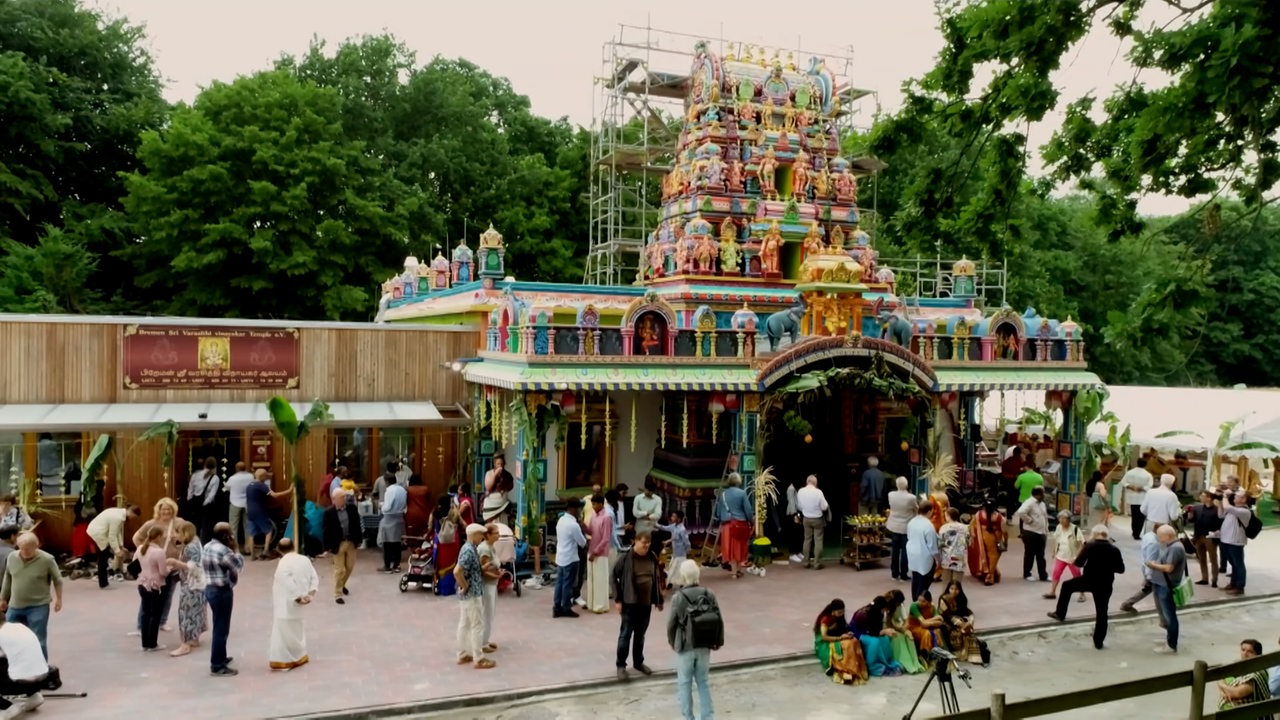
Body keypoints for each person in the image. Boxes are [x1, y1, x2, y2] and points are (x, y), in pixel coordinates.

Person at [1047, 524, 1125, 649]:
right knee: (1102, 611)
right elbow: (1121, 569)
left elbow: (1079, 563)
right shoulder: (1114, 549)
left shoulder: (1089, 546)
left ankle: (1060, 613)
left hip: (1088, 580)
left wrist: (1077, 559)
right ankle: (1098, 641)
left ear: (1094, 534)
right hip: (1105, 583)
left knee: (1067, 586)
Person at [667, 559, 719, 720]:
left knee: (684, 682)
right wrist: (717, 641)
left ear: (683, 576)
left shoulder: (678, 597)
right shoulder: (709, 593)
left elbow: (671, 624)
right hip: (704, 643)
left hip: (685, 644)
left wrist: (672, 642)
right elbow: (718, 619)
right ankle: (708, 716)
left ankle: (688, 717)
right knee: (703, 681)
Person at [0, 533, 61, 661]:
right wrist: (3, 598)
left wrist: (58, 599)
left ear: (36, 546)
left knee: (38, 639)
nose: (24, 551)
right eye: (21, 548)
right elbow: (8, 577)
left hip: (38, 605)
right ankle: (15, 666)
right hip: (15, 605)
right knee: (10, 637)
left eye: (28, 548)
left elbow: (58, 580)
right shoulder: (12, 557)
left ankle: (42, 668)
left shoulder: (47, 559)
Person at [612, 531, 663, 681]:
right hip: (629, 603)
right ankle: (621, 665)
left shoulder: (651, 557)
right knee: (625, 634)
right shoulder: (625, 558)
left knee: (640, 635)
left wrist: (658, 600)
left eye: (648, 544)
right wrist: (618, 600)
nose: (646, 546)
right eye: (643, 543)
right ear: (635, 542)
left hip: (645, 604)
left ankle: (638, 662)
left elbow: (656, 578)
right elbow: (613, 576)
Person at [268, 538, 318, 671]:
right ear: (294, 546)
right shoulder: (305, 559)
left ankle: (286, 660)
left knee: (283, 633)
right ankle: (299, 655)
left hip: (286, 605)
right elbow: (314, 577)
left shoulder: (283, 563)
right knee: (297, 630)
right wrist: (310, 595)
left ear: (278, 549)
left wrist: (297, 597)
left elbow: (286, 582)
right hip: (301, 603)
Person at [201, 522, 243, 677]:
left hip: (210, 588)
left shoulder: (207, 546)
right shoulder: (224, 551)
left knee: (220, 624)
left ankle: (221, 656)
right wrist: (236, 549)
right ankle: (217, 665)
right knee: (221, 628)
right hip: (222, 591)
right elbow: (238, 566)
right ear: (227, 536)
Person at [454, 524, 493, 670]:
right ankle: (478, 657)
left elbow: (468, 570)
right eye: (480, 535)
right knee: (477, 625)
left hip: (468, 594)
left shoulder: (469, 548)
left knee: (465, 624)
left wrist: (482, 568)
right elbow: (457, 571)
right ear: (474, 534)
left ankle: (463, 653)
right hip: (472, 594)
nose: (482, 538)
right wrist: (465, 586)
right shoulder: (469, 550)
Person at [167, 520, 207, 657]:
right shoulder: (195, 541)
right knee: (196, 611)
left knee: (186, 613)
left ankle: (185, 644)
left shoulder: (190, 547)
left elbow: (193, 566)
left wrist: (175, 563)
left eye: (176, 532)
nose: (173, 535)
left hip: (191, 585)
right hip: (198, 584)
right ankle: (193, 638)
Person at [1146, 525, 1187, 655]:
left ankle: (1171, 644)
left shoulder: (1175, 548)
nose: (1158, 538)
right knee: (1166, 614)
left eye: (1159, 535)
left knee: (1170, 616)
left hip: (1166, 586)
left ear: (1167, 536)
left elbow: (1169, 568)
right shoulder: (1171, 546)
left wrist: (1153, 565)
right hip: (1161, 584)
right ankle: (1169, 639)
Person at [813, 599, 869, 685]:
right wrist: (840, 638)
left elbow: (842, 629)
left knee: (854, 641)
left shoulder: (839, 617)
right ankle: (845, 669)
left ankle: (856, 668)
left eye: (843, 612)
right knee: (847, 645)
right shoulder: (825, 619)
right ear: (833, 611)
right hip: (826, 642)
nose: (842, 614)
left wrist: (847, 633)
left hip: (838, 637)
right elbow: (824, 637)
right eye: (839, 612)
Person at [0, 616, 48, 717]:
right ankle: (34, 696)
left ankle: (6, 708)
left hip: (22, 681)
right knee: (16, 662)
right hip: (42, 678)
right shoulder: (18, 626)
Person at [87, 504, 141, 588]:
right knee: (102, 557)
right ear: (132, 513)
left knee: (104, 555)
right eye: (134, 517)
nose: (132, 519)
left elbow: (117, 532)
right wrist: (117, 551)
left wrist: (121, 546)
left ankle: (104, 581)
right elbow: (112, 536)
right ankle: (103, 583)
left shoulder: (120, 514)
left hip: (100, 530)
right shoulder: (118, 518)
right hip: (98, 532)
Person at [135, 524, 169, 652]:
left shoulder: (140, 549)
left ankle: (145, 643)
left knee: (145, 612)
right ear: (158, 537)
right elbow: (163, 572)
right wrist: (170, 567)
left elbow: (135, 564)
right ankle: (152, 643)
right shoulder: (159, 552)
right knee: (155, 615)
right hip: (155, 586)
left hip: (142, 583)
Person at [323, 488, 361, 604]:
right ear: (334, 499)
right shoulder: (328, 513)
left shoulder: (352, 508)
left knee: (349, 567)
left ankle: (342, 584)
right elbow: (326, 531)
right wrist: (326, 547)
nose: (344, 499)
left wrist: (359, 540)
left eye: (344, 497)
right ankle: (337, 594)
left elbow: (357, 524)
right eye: (341, 497)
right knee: (339, 570)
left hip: (350, 542)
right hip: (338, 544)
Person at [850, 596, 903, 677]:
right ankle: (873, 667)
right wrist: (884, 631)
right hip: (858, 632)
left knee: (885, 639)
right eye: (884, 609)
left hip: (869, 631)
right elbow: (870, 631)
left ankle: (885, 662)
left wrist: (885, 632)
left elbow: (877, 628)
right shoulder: (863, 615)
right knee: (874, 642)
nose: (884, 611)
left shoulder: (878, 613)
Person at [246, 470, 291, 560]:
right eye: (266, 476)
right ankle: (266, 550)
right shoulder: (262, 486)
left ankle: (252, 555)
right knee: (269, 530)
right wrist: (289, 490)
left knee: (251, 534)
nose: (266, 478)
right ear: (262, 477)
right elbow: (275, 495)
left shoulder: (249, 486)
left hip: (250, 511)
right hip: (259, 511)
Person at [1218, 639, 1272, 714]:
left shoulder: (1257, 674)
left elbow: (1237, 693)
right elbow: (1222, 676)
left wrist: (1221, 686)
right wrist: (1223, 692)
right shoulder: (1240, 666)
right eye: (1243, 650)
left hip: (1251, 714)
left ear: (1258, 655)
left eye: (1250, 652)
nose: (1245, 654)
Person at [553, 498, 586, 618]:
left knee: (559, 583)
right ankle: (566, 607)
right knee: (568, 584)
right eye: (578, 509)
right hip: (571, 558)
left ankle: (557, 607)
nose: (579, 511)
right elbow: (582, 542)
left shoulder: (561, 520)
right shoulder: (574, 525)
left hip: (561, 556)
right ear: (573, 509)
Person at [717, 473, 753, 578]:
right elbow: (748, 510)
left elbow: (719, 511)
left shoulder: (723, 494)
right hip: (739, 523)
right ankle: (738, 570)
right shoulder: (742, 493)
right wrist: (750, 521)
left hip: (727, 525)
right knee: (740, 547)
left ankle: (733, 571)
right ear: (738, 481)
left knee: (730, 548)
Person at [1045, 510, 1086, 600]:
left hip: (1072, 557)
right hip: (1061, 555)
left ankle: (1082, 594)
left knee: (1077, 575)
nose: (1061, 520)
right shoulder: (1059, 527)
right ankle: (1052, 592)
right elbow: (1056, 540)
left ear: (1069, 519)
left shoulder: (1075, 529)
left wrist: (1076, 557)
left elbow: (1082, 545)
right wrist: (1054, 551)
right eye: (1060, 518)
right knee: (1056, 573)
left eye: (1064, 518)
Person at [882, 589, 925, 674]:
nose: (900, 604)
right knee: (899, 637)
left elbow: (906, 620)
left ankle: (914, 662)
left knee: (910, 638)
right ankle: (904, 663)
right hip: (888, 628)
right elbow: (889, 624)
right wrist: (902, 631)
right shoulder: (887, 608)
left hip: (899, 625)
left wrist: (905, 629)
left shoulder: (900, 605)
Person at [1219, 489, 1252, 596]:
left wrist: (1224, 496)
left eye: (1237, 496)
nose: (1234, 497)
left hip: (1235, 542)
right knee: (1233, 564)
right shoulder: (1234, 509)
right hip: (1226, 540)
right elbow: (1221, 515)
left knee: (1238, 564)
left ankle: (1240, 586)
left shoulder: (1244, 511)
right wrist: (1220, 500)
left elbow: (1227, 507)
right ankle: (1233, 584)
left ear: (1244, 499)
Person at [1185, 490, 1221, 588]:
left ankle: (1214, 579)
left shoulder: (1217, 510)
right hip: (1198, 536)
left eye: (1203, 496)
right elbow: (1191, 520)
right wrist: (1189, 515)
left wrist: (1217, 532)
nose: (1200, 497)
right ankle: (1204, 578)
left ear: (1209, 498)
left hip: (1210, 537)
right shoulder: (1197, 508)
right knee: (1201, 558)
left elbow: (1220, 523)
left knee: (1213, 559)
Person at [1014, 486, 1050, 582]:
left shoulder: (1042, 504)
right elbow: (1021, 512)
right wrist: (1029, 521)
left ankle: (1043, 575)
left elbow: (1044, 517)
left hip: (1041, 532)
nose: (1044, 495)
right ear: (1038, 494)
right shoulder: (1029, 502)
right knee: (1030, 554)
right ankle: (1027, 573)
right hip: (1031, 532)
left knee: (1041, 555)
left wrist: (1046, 530)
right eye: (1043, 493)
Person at [586, 495, 614, 613]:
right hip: (591, 550)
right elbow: (591, 531)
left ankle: (601, 606)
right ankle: (592, 604)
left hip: (600, 553)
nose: (593, 506)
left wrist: (595, 552)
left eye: (595, 504)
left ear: (602, 504)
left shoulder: (607, 518)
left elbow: (606, 539)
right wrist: (584, 527)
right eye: (592, 504)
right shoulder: (593, 515)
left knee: (600, 580)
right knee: (591, 579)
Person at [905, 500, 939, 602]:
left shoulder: (912, 522)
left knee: (915, 580)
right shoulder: (928, 526)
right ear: (929, 511)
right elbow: (932, 547)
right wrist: (938, 559)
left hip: (913, 555)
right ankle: (921, 602)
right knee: (924, 583)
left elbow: (909, 536)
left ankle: (914, 600)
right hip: (925, 558)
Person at [939, 581, 980, 662]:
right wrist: (961, 624)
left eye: (956, 589)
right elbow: (947, 615)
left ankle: (973, 657)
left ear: (960, 590)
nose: (954, 591)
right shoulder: (943, 599)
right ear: (948, 589)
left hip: (959, 621)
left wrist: (970, 620)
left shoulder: (961, 598)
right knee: (957, 633)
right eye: (952, 589)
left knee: (969, 633)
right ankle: (956, 654)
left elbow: (966, 610)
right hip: (947, 622)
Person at [886, 477, 917, 582]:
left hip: (894, 526)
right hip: (906, 527)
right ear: (906, 485)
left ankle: (894, 574)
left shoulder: (891, 495)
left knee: (895, 550)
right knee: (905, 551)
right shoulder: (911, 497)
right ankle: (904, 574)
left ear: (897, 485)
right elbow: (916, 509)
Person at [968, 498, 1006, 586]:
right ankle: (990, 575)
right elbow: (1004, 532)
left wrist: (973, 535)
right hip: (997, 541)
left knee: (986, 557)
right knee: (994, 557)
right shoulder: (1000, 517)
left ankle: (990, 573)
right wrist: (1006, 542)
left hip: (981, 540)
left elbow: (972, 525)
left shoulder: (979, 515)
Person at [477, 524, 502, 653]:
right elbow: (483, 570)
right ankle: (482, 642)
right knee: (487, 613)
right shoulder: (485, 549)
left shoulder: (491, 547)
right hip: (487, 585)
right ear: (488, 535)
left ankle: (486, 639)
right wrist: (496, 574)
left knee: (490, 613)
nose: (498, 535)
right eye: (496, 533)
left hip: (493, 584)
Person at [797, 475, 830, 570]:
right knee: (818, 540)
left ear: (807, 482)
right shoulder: (818, 492)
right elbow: (824, 507)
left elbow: (799, 506)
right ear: (815, 483)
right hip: (817, 519)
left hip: (806, 518)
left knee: (807, 540)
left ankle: (806, 562)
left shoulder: (800, 491)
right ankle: (816, 563)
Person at [378, 472, 407, 574]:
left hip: (389, 518)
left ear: (386, 481)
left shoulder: (389, 491)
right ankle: (397, 565)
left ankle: (387, 566)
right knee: (397, 543)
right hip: (399, 517)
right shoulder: (402, 490)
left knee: (387, 543)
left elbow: (387, 507)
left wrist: (381, 506)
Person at [187, 457, 221, 544]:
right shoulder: (215, 478)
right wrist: (204, 504)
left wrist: (190, 500)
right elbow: (212, 494)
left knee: (194, 524)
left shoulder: (195, 475)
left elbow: (190, 489)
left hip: (194, 503)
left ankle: (193, 542)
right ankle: (203, 544)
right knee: (206, 526)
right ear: (215, 466)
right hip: (207, 506)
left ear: (204, 464)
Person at [1121, 458, 1154, 540]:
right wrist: (1141, 488)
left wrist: (1131, 486)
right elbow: (1149, 486)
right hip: (1142, 498)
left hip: (1132, 497)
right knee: (1141, 517)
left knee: (1134, 515)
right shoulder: (1148, 475)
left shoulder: (1130, 472)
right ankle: (1137, 533)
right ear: (1146, 464)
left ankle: (1134, 531)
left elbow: (1123, 482)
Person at [937, 507, 970, 587]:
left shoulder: (944, 528)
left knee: (946, 583)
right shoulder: (965, 528)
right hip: (959, 557)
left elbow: (940, 543)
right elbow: (968, 542)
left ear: (948, 516)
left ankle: (944, 598)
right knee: (957, 584)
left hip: (947, 558)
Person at [657, 510, 690, 589]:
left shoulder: (682, 529)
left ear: (678, 519)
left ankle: (674, 583)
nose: (671, 518)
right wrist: (655, 524)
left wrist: (688, 549)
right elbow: (664, 528)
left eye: (673, 516)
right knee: (673, 567)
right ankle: (672, 582)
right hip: (675, 552)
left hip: (681, 552)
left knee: (678, 568)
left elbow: (686, 541)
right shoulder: (673, 526)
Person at [224, 462, 254, 546]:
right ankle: (248, 547)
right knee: (247, 526)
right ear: (245, 467)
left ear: (236, 468)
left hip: (235, 503)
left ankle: (234, 547)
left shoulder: (232, 478)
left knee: (233, 526)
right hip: (247, 503)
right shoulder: (251, 476)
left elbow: (227, 488)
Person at [404, 474, 432, 538]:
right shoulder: (426, 489)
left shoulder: (408, 489)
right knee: (423, 532)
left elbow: (406, 501)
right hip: (424, 513)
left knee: (411, 533)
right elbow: (428, 501)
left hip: (411, 514)